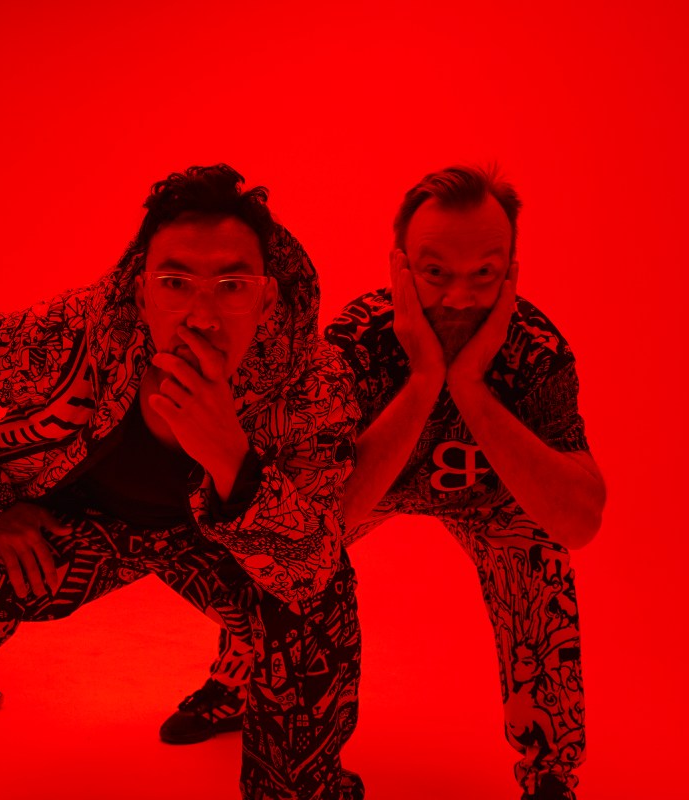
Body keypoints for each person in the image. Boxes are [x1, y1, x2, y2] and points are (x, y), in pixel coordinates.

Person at [0, 164, 364, 800]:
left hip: (216, 542)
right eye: (176, 282)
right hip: (80, 528)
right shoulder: (81, 332)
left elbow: (313, 564)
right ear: (142, 288)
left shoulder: (312, 384)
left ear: (266, 298)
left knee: (321, 601)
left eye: (231, 285)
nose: (201, 316)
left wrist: (232, 456)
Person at [162, 165, 604, 800]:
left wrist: (472, 389)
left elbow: (580, 521)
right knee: (280, 539)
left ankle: (550, 771)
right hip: (376, 481)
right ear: (400, 266)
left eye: (484, 273)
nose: (457, 297)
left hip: (494, 503)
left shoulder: (536, 350)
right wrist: (425, 380)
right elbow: (318, 525)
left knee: (542, 566)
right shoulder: (364, 338)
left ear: (510, 268)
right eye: (434, 272)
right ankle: (235, 680)